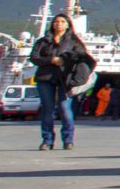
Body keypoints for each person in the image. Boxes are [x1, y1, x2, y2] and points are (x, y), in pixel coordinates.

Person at [29, 13, 91, 150]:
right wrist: (50, 60)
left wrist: (66, 59)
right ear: (52, 24)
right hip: (45, 77)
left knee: (65, 108)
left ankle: (68, 139)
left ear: (68, 24)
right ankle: (47, 140)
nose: (59, 24)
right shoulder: (43, 41)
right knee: (47, 110)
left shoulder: (74, 42)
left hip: (66, 79)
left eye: (62, 21)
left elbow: (82, 56)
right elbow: (33, 58)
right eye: (56, 21)